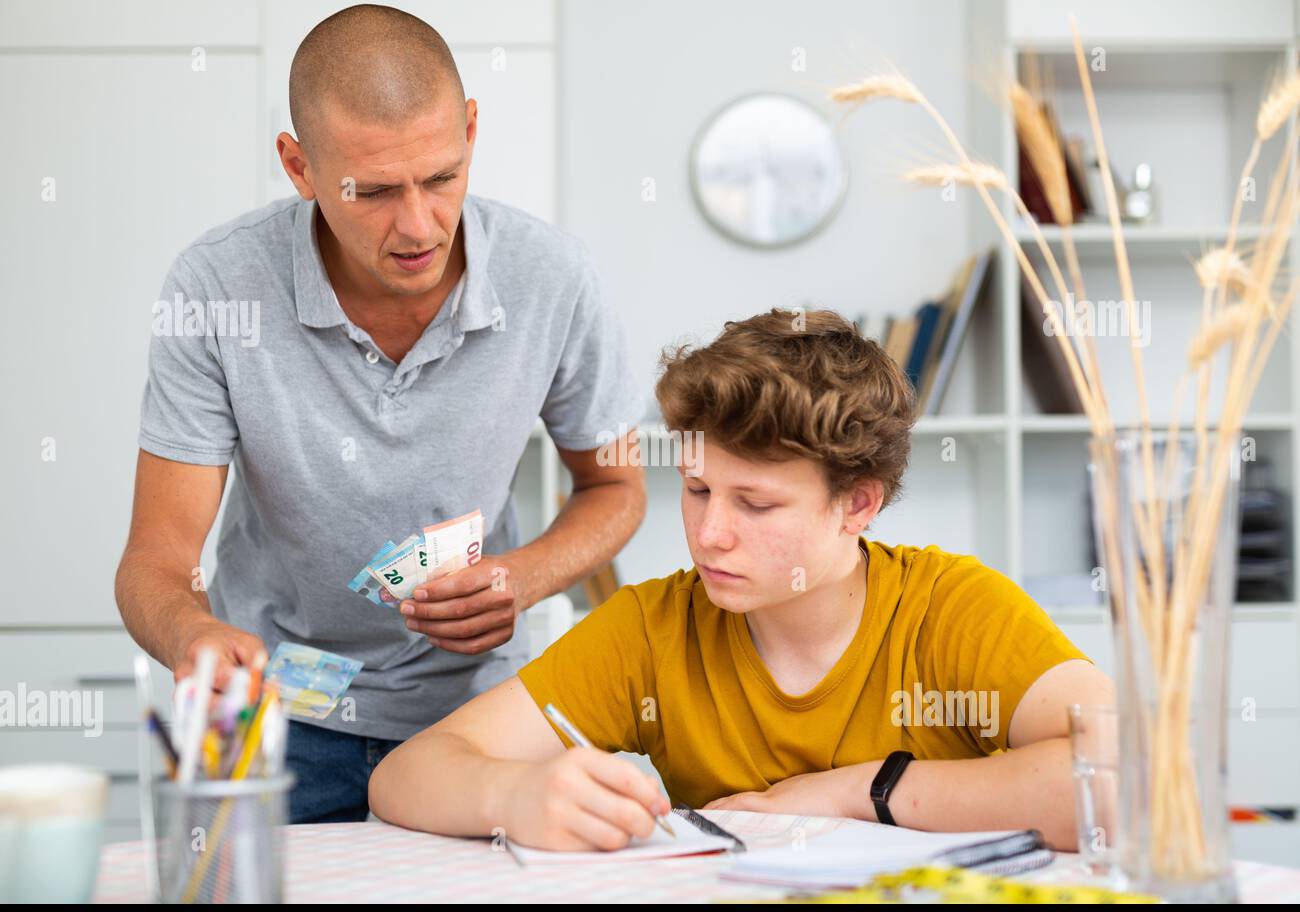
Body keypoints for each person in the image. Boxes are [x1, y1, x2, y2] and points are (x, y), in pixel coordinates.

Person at [115, 5, 646, 823]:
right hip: (276, 716)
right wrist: (191, 634)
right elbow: (157, 554)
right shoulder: (216, 287)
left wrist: (524, 576)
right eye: (374, 191)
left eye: (440, 177)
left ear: (470, 130)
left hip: (475, 719)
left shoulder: (554, 278)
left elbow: (616, 491)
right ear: (298, 166)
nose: (418, 226)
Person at [368, 308, 1115, 852]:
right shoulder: (653, 628)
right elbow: (405, 776)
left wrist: (859, 792)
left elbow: (1121, 783)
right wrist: (515, 793)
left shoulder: (952, 609)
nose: (709, 533)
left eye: (755, 503)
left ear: (857, 503)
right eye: (696, 491)